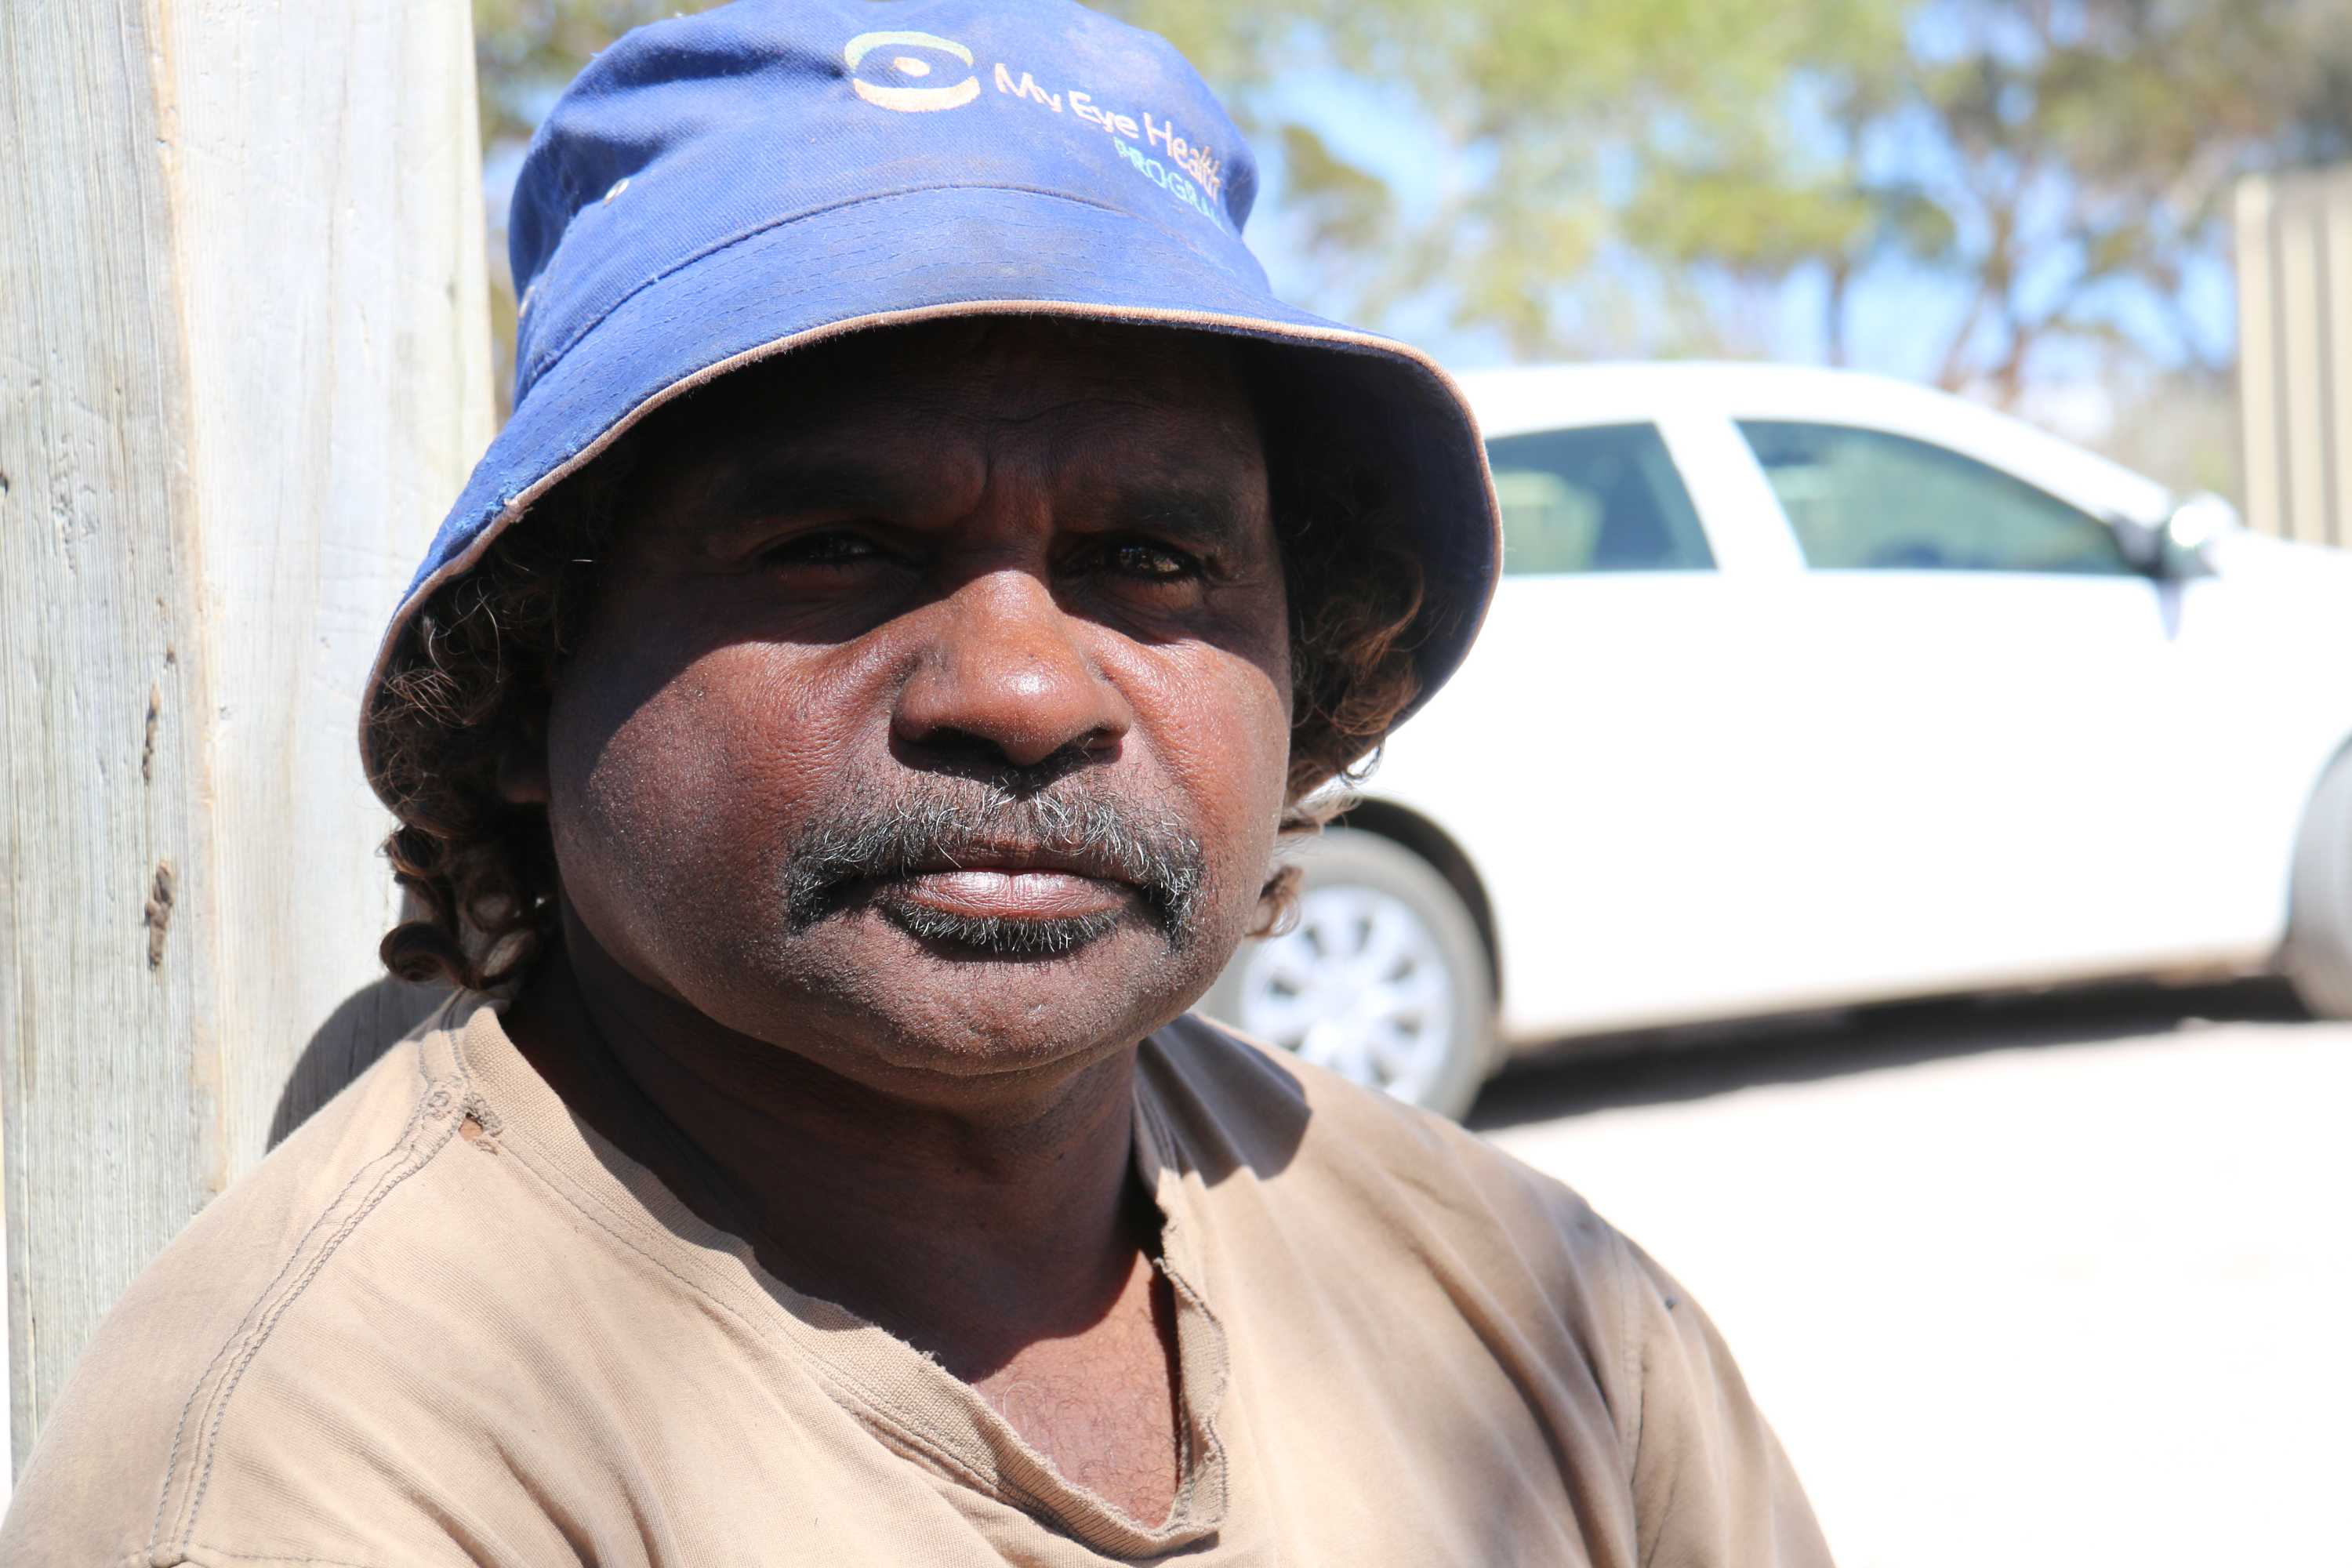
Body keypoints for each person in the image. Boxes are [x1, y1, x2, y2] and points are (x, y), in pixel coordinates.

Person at [2, 3, 1830, 1563]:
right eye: (839, 544)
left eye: (1156, 561)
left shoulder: (1544, 1319)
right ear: (534, 667)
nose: (1027, 688)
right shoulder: (332, 1457)